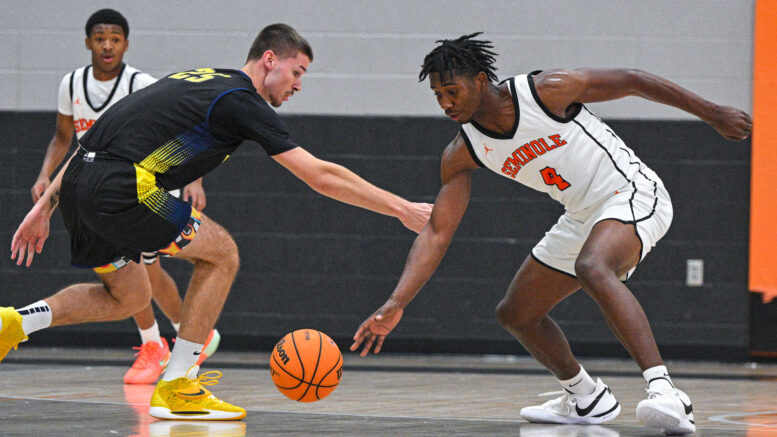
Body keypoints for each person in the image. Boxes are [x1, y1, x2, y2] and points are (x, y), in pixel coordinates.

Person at [5, 23, 432, 420]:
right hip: (122, 186)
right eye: (297, 71)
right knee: (221, 253)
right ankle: (177, 385)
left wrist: (44, 208)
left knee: (129, 297)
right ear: (269, 59)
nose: (299, 84)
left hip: (80, 182)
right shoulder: (240, 100)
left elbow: (96, 134)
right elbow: (320, 176)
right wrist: (401, 208)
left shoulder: (200, 78)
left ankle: (13, 323)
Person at [350, 33, 752, 435]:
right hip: (581, 215)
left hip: (631, 191)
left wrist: (712, 113)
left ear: (480, 79)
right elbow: (437, 232)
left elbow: (633, 79)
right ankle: (586, 396)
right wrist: (397, 301)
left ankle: (666, 393)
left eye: (452, 91)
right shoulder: (463, 151)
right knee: (516, 313)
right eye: (438, 95)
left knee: (593, 266)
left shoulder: (545, 91)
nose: (446, 103)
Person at [28, 8, 218, 385]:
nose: (107, 45)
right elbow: (63, 137)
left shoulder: (140, 83)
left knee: (141, 269)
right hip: (100, 187)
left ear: (126, 44)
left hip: (146, 185)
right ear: (88, 43)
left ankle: (170, 340)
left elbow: (183, 127)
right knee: (133, 270)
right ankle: (182, 336)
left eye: (114, 39)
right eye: (100, 39)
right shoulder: (72, 84)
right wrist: (45, 175)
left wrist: (195, 179)